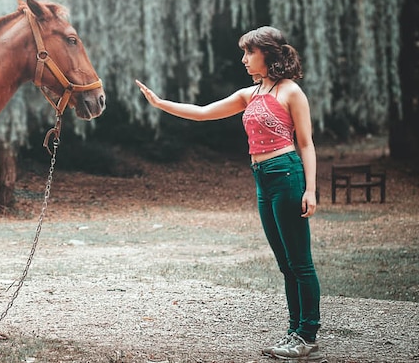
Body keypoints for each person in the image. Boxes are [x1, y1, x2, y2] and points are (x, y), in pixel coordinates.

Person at [135, 26, 323, 361]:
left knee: (300, 262)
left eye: (249, 52)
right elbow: (204, 112)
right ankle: (294, 331)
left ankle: (307, 334)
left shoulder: (291, 92)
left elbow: (306, 144)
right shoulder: (248, 95)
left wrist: (310, 188)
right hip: (263, 178)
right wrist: (161, 103)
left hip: (287, 174)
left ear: (268, 53)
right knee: (285, 263)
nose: (244, 59)